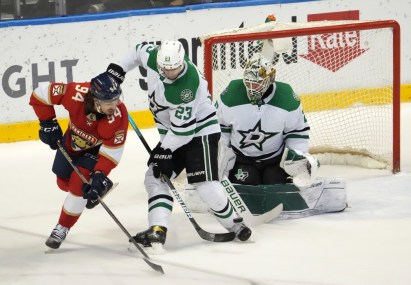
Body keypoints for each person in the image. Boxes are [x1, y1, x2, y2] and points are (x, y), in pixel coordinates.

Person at [105, 40, 251, 249]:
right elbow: (138, 51)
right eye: (165, 68)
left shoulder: (186, 89)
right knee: (155, 178)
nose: (169, 72)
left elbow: (184, 132)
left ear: (181, 62)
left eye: (173, 68)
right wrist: (118, 70)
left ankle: (235, 224)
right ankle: (157, 231)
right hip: (174, 134)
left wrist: (164, 152)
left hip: (200, 132)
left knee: (205, 185)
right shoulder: (157, 59)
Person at [29, 72, 129, 249]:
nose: (114, 105)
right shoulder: (76, 93)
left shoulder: (118, 118)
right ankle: (96, 189)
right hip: (71, 142)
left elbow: (112, 153)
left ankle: (62, 227)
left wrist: (99, 175)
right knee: (62, 182)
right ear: (95, 100)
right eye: (108, 102)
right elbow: (40, 94)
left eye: (116, 99)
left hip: (95, 151)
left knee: (79, 184)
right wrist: (47, 123)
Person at [216, 53, 313, 186]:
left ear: (270, 79)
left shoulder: (286, 98)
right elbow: (220, 127)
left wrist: (297, 161)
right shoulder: (231, 95)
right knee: (248, 183)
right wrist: (219, 158)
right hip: (242, 160)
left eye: (257, 84)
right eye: (248, 83)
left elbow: (297, 132)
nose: (252, 88)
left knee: (275, 183)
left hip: (275, 161)